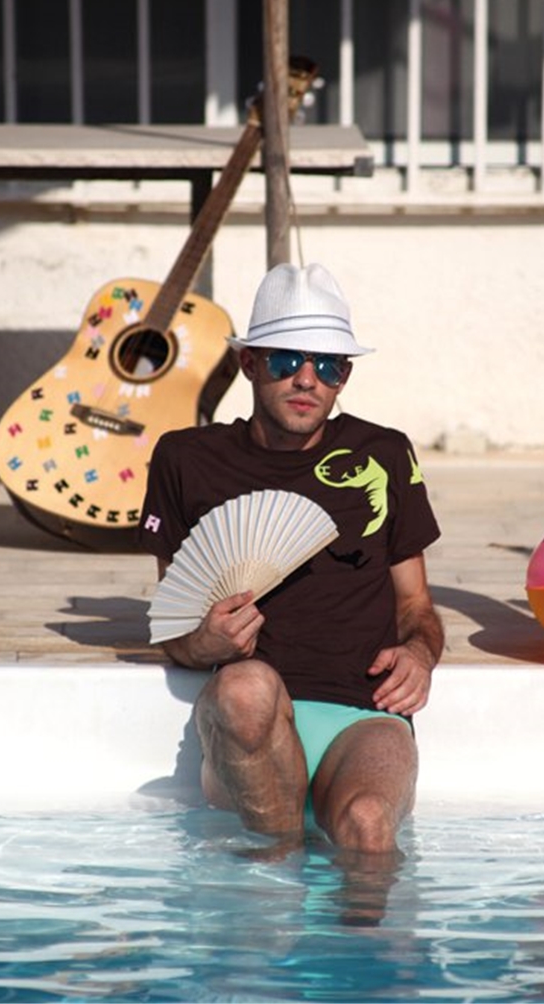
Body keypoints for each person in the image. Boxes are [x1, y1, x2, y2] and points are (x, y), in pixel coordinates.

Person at [139, 262, 444, 855]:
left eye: (328, 366)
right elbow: (172, 629)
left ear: (343, 377)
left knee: (368, 827)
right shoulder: (186, 459)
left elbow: (416, 606)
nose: (308, 379)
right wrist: (204, 643)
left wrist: (419, 654)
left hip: (364, 715)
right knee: (245, 688)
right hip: (250, 723)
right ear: (249, 364)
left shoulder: (383, 453)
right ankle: (275, 864)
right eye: (286, 360)